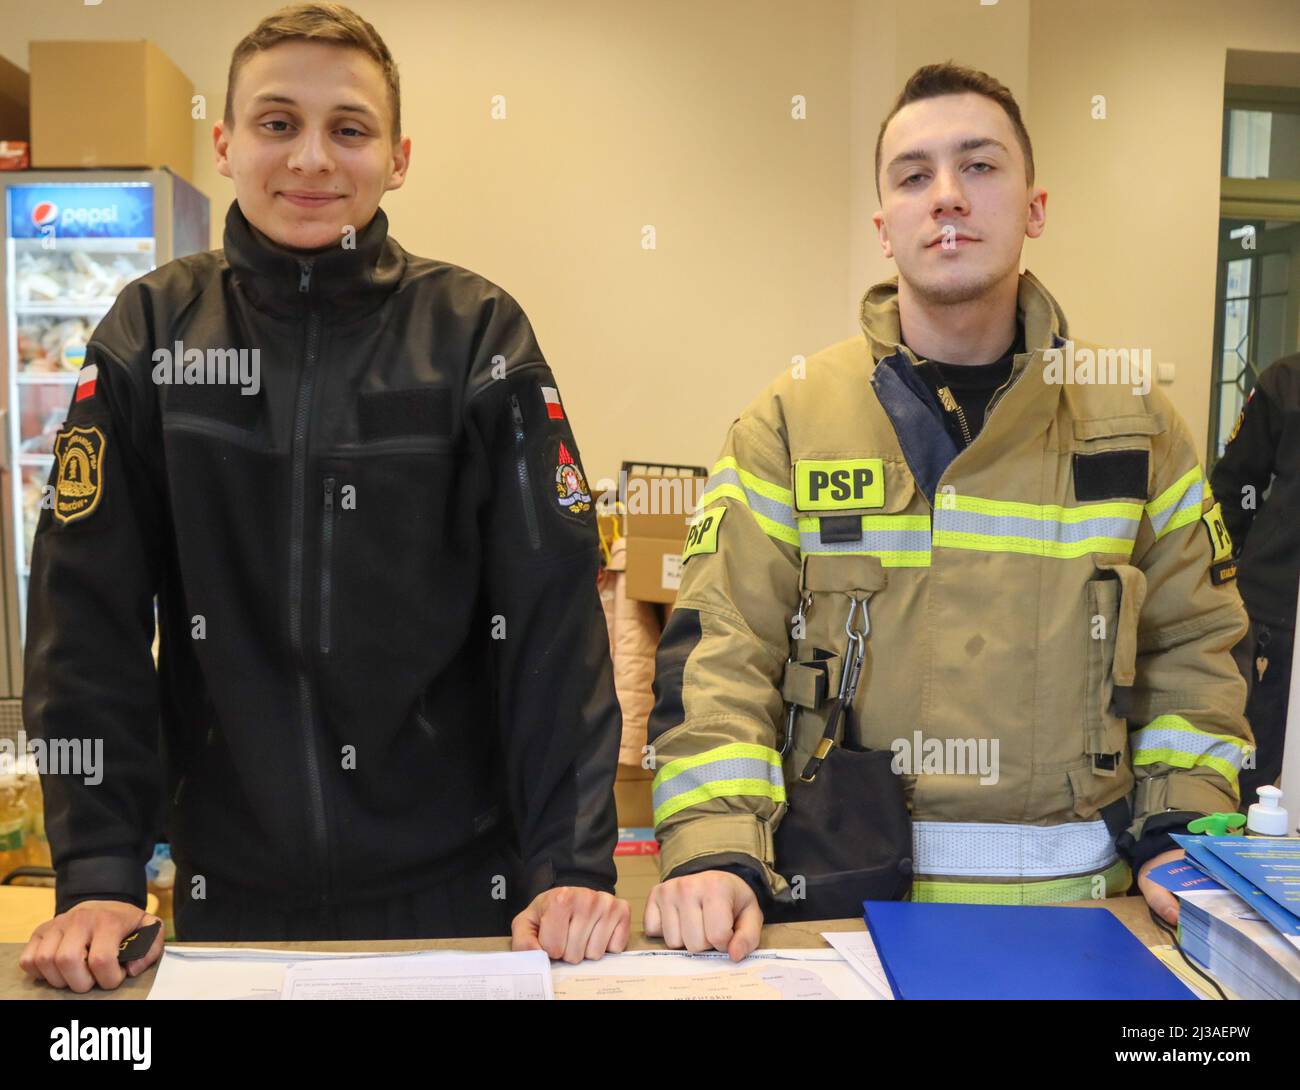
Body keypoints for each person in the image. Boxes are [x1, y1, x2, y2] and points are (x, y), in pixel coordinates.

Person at [19, 2, 627, 993]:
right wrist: (97, 872)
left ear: (398, 156)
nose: (310, 157)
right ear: (223, 142)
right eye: (275, 123)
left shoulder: (477, 336)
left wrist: (568, 867)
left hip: (463, 895)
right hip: (226, 893)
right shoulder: (151, 334)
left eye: (348, 128)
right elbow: (86, 625)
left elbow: (553, 622)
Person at [643, 62, 1252, 961]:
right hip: (842, 919)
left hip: (1092, 925)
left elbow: (1196, 649)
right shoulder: (792, 417)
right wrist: (715, 849)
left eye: (980, 166)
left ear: (1035, 207)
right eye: (914, 175)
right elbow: (724, 645)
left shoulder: (1134, 424)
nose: (948, 197)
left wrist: (1184, 833)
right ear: (883, 227)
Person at [1211, 351, 1300, 805]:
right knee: (1256, 769)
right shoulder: (1285, 382)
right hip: (1275, 615)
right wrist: (1230, 571)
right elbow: (1236, 487)